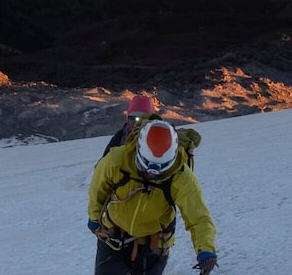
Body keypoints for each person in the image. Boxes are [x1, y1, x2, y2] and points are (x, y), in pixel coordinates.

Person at [88, 118, 217, 275]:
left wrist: (205, 248)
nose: (151, 173)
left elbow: (198, 216)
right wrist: (94, 216)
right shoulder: (117, 160)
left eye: (161, 169)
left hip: (153, 245)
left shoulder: (181, 177)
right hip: (113, 237)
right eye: (145, 166)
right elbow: (98, 188)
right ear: (138, 151)